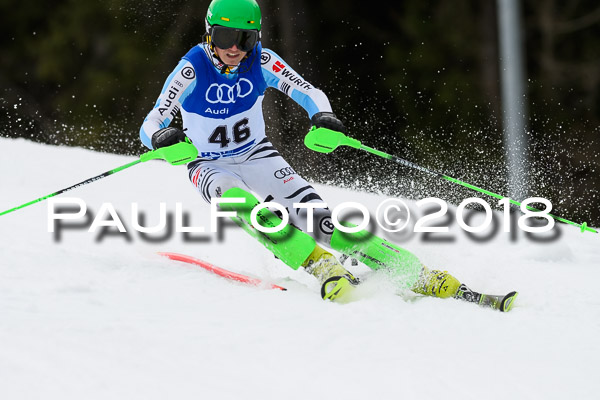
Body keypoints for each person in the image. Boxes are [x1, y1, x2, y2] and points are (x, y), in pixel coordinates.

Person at [140, 0, 517, 311]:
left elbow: (308, 91)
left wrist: (322, 117)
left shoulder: (262, 61)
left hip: (258, 155)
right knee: (240, 205)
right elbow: (153, 119)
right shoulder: (192, 67)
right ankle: (318, 264)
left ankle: (415, 272)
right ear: (209, 33)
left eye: (245, 37)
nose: (234, 47)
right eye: (225, 36)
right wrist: (162, 135)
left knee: (321, 221)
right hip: (210, 164)